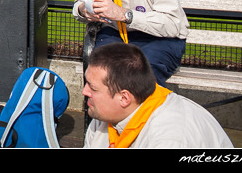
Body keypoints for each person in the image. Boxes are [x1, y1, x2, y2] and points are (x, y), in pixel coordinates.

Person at [83, 43, 232, 149]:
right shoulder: (105, 114)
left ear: (124, 98)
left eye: (93, 88)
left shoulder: (172, 139)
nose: (85, 91)